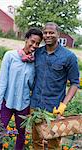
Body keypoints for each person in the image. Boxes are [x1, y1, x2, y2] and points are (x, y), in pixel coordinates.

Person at [30, 22, 79, 150]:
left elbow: (75, 83)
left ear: (58, 34)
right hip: (35, 106)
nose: (48, 35)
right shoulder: (38, 53)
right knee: (36, 141)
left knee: (53, 144)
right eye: (45, 33)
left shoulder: (69, 57)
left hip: (54, 109)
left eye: (51, 33)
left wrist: (63, 105)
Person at [0, 27, 43, 150]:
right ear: (26, 39)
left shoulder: (35, 62)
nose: (35, 45)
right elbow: (2, 81)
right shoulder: (10, 56)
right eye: (32, 41)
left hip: (24, 104)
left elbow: (33, 86)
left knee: (21, 134)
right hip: (7, 102)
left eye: (38, 43)